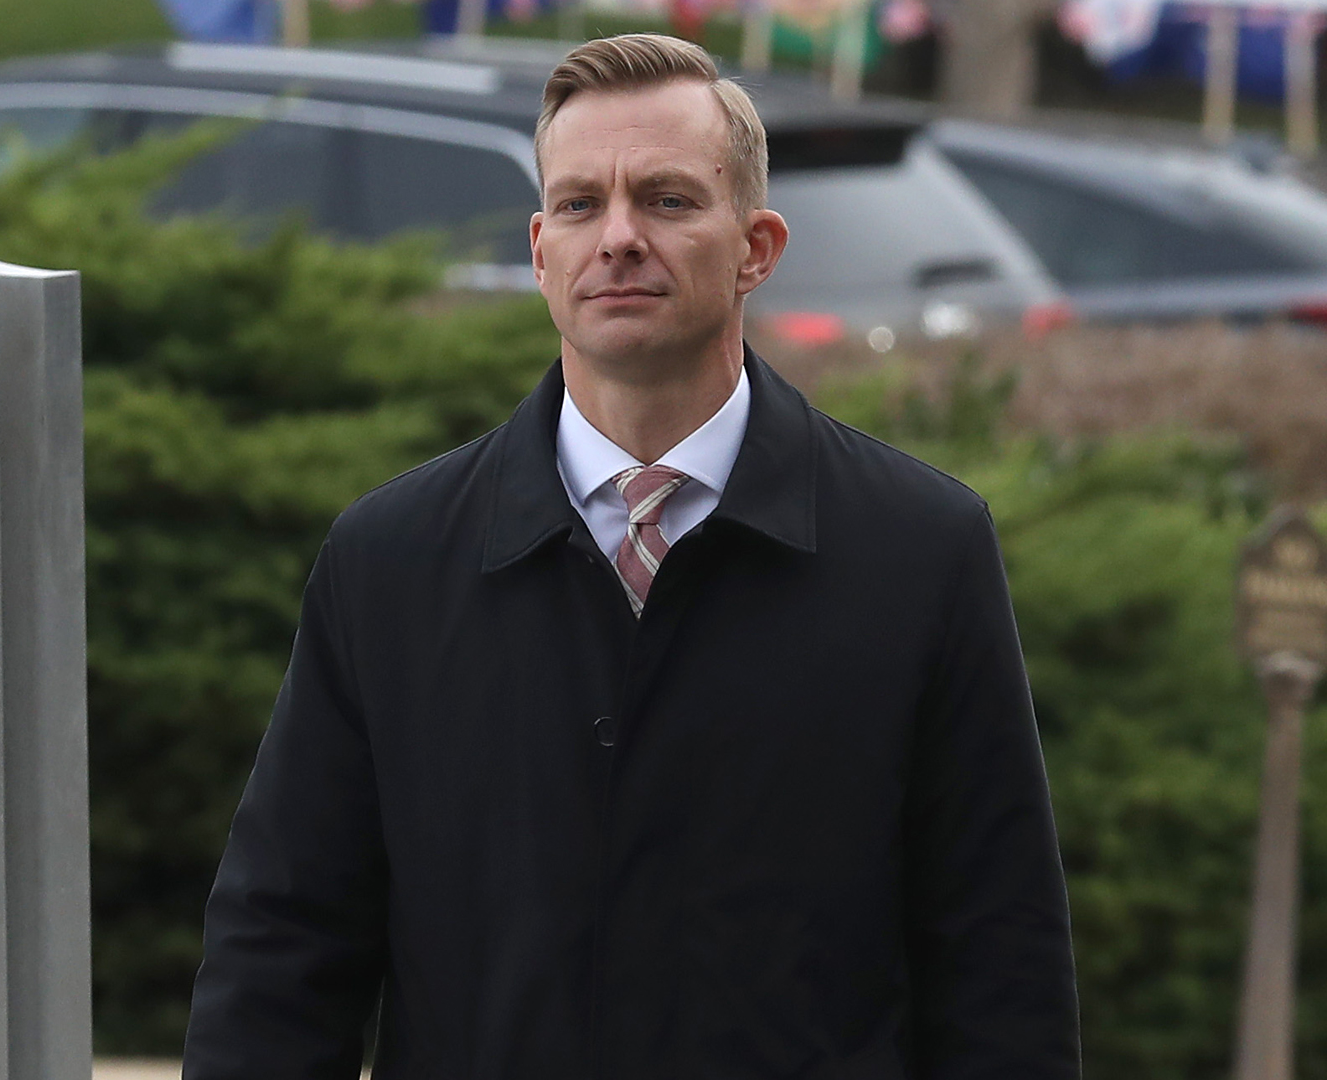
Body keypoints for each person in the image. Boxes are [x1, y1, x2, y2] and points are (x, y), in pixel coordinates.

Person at [183, 33, 1078, 1080]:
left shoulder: (922, 553)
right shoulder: (389, 563)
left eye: (665, 199)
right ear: (538, 249)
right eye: (578, 204)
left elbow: (998, 965)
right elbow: (282, 954)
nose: (616, 237)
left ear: (757, 246)